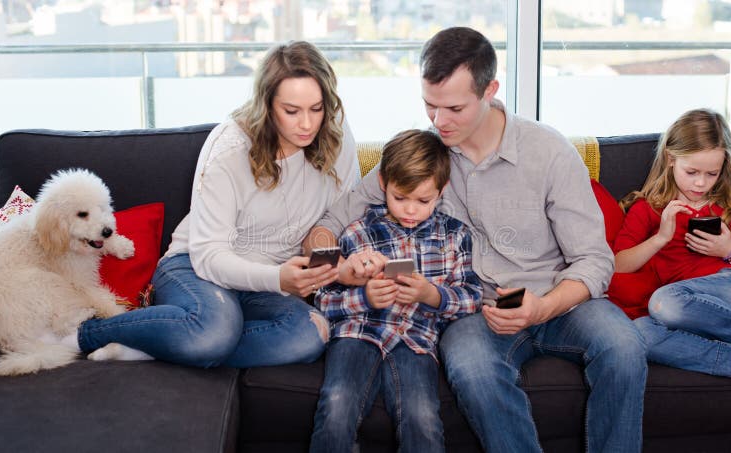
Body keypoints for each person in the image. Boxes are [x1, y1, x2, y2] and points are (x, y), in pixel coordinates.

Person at [307, 27, 646, 453]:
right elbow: (330, 222)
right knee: (471, 369)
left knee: (624, 347)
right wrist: (338, 267)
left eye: (453, 108)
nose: (439, 121)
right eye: (429, 106)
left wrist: (542, 307)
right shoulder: (426, 157)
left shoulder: (550, 152)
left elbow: (595, 260)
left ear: (490, 91)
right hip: (475, 312)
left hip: (558, 299)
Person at [62, 41, 360, 367]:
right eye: (291, 111)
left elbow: (337, 216)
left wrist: (325, 267)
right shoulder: (229, 148)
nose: (307, 124)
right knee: (214, 332)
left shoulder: (335, 131)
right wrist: (278, 279)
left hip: (270, 284)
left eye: (316, 108)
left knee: (311, 334)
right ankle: (87, 334)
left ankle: (161, 346)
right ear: (266, 105)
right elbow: (210, 257)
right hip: (197, 268)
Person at [309, 129, 483, 453]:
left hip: (416, 342)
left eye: (423, 200)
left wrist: (431, 295)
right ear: (383, 184)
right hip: (357, 334)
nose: (410, 210)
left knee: (423, 419)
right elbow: (322, 298)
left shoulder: (455, 236)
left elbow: (473, 296)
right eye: (400, 197)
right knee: (336, 404)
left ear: (442, 190)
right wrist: (364, 297)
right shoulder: (357, 232)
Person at [610, 108, 731, 388]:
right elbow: (618, 264)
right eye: (691, 172)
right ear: (670, 159)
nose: (700, 183)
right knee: (639, 332)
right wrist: (660, 238)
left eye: (712, 173)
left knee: (664, 301)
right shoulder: (648, 209)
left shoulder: (730, 206)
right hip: (688, 314)